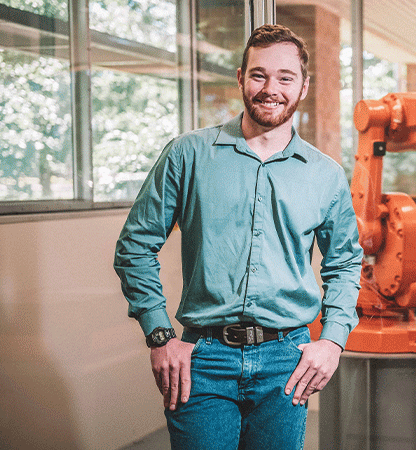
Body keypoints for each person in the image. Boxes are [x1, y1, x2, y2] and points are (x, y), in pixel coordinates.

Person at [113, 24, 363, 450]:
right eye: (259, 75)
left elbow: (344, 262)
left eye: (285, 77)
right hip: (203, 359)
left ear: (303, 86)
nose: (271, 88)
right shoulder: (188, 155)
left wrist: (333, 341)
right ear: (240, 78)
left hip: (288, 360)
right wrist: (159, 336)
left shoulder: (325, 174)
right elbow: (135, 247)